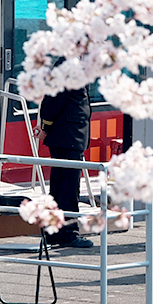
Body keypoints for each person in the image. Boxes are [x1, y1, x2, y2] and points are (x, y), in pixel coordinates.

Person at [39, 84, 95, 249]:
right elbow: (53, 101)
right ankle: (68, 234)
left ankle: (53, 232)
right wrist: (45, 126)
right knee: (69, 188)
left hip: (67, 136)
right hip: (69, 137)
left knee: (59, 187)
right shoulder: (70, 66)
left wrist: (46, 126)